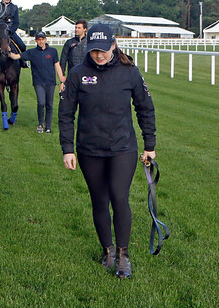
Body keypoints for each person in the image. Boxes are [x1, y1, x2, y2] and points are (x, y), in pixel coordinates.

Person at [58, 24, 156, 279]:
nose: (99, 55)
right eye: (93, 51)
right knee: (99, 200)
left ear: (114, 45)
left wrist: (150, 145)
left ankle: (123, 255)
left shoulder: (130, 72)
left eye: (103, 50)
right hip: (90, 149)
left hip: (123, 148)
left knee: (119, 198)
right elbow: (66, 114)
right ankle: (107, 251)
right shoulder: (78, 74)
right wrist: (67, 149)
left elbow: (145, 108)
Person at [8, 31, 64, 133]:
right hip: (38, 82)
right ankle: (40, 124)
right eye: (39, 40)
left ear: (45, 40)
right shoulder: (31, 52)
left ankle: (48, 127)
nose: (41, 41)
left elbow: (57, 66)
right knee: (41, 102)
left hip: (51, 82)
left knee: (50, 105)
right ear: (36, 41)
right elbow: (16, 57)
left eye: (42, 39)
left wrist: (62, 80)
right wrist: (8, 51)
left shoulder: (53, 51)